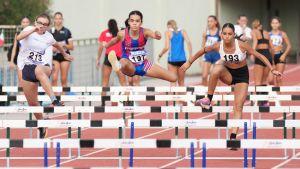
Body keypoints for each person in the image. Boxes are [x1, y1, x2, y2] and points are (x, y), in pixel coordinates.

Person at [180, 23, 281, 147]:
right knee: (216, 69)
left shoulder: (242, 45)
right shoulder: (218, 45)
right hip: (228, 74)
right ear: (221, 35)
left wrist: (271, 69)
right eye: (224, 34)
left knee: (238, 106)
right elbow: (202, 51)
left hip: (242, 76)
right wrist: (189, 62)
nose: (227, 36)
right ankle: (208, 99)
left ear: (234, 35)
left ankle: (233, 138)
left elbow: (259, 55)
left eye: (229, 34)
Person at [16, 13, 73, 138]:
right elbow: (19, 38)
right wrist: (32, 29)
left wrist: (64, 54)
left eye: (45, 24)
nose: (42, 26)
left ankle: (54, 100)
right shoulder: (28, 30)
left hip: (44, 66)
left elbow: (57, 44)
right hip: (27, 69)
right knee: (32, 103)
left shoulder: (48, 36)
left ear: (48, 26)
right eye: (40, 23)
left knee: (39, 71)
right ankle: (42, 124)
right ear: (36, 21)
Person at [104, 10, 177, 83]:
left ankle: (119, 65)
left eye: (137, 21)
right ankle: (117, 65)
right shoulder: (122, 34)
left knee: (173, 78)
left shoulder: (145, 31)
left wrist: (158, 35)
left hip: (144, 64)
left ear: (141, 23)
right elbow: (115, 40)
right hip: (129, 65)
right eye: (132, 21)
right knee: (124, 62)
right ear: (129, 22)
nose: (134, 23)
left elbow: (156, 35)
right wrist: (107, 45)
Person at [96, 19, 127, 105]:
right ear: (116, 25)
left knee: (105, 81)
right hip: (118, 57)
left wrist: (98, 59)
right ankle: (126, 101)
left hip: (108, 57)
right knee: (123, 81)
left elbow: (101, 47)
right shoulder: (120, 33)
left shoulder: (104, 33)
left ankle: (103, 103)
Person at [158, 20, 192, 87]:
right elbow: (189, 43)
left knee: (173, 82)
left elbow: (166, 47)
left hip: (172, 60)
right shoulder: (183, 31)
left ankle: (173, 97)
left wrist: (160, 55)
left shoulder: (167, 32)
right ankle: (182, 97)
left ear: (168, 26)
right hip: (182, 59)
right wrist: (191, 56)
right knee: (181, 83)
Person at [251, 19, 274, 106]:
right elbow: (272, 48)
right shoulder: (267, 33)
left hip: (260, 54)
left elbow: (255, 41)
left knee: (257, 81)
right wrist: (272, 60)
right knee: (264, 80)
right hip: (267, 54)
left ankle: (257, 101)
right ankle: (264, 101)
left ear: (254, 25)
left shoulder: (254, 31)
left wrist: (252, 53)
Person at [50, 12, 74, 91]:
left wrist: (63, 45)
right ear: (54, 20)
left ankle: (63, 98)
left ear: (62, 20)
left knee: (64, 79)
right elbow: (46, 45)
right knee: (54, 78)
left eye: (60, 18)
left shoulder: (67, 31)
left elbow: (72, 47)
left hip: (65, 56)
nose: (58, 20)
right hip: (54, 57)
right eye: (56, 18)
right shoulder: (50, 32)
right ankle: (55, 99)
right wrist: (52, 48)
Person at [269, 17, 291, 87]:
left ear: (279, 24)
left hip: (280, 56)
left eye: (276, 23)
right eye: (273, 23)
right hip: (271, 57)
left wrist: (284, 55)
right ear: (271, 24)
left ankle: (279, 96)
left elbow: (289, 46)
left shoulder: (283, 34)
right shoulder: (268, 34)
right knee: (270, 80)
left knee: (278, 78)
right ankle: (273, 94)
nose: (275, 25)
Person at [9, 16, 31, 85]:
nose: (25, 24)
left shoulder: (33, 33)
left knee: (29, 81)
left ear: (29, 23)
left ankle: (29, 95)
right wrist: (12, 61)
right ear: (21, 23)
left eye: (27, 22)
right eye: (23, 22)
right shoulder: (18, 34)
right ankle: (21, 95)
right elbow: (14, 48)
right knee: (21, 80)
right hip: (21, 59)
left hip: (31, 59)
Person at [200, 15, 221, 86]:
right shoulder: (205, 33)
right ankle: (204, 93)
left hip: (217, 56)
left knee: (216, 76)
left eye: (211, 21)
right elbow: (202, 46)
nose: (209, 23)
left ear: (215, 22)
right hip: (208, 55)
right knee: (204, 76)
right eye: (208, 21)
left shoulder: (220, 32)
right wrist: (200, 59)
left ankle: (218, 94)